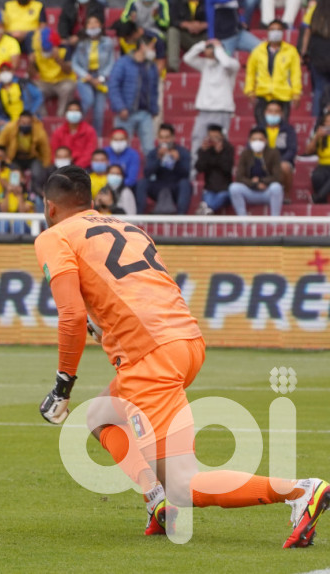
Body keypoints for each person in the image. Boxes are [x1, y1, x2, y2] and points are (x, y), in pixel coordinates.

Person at [35, 164, 330, 547]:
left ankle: (300, 490)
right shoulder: (128, 228)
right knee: (101, 413)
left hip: (151, 356)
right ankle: (156, 501)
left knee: (183, 484)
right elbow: (138, 291)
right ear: (91, 202)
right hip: (186, 340)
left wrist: (62, 385)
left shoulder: (54, 235)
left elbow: (71, 315)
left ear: (50, 207)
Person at [183, 39, 239, 168]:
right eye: (209, 48)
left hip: (222, 110)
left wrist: (218, 48)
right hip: (204, 110)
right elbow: (187, 58)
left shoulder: (232, 64)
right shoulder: (205, 64)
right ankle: (193, 171)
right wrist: (202, 44)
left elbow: (225, 63)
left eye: (211, 48)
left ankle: (223, 173)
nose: (209, 50)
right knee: (197, 139)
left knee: (222, 143)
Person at [108, 35, 159, 155]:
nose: (154, 51)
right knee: (120, 149)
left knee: (150, 149)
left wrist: (154, 109)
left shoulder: (151, 66)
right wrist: (120, 107)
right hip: (126, 113)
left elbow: (154, 89)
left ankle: (150, 174)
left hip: (145, 113)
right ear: (142, 46)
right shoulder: (123, 62)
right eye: (152, 47)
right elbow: (113, 85)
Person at [244, 19, 302, 127]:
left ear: (283, 32)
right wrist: (250, 90)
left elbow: (295, 74)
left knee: (282, 128)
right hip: (263, 93)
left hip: (282, 94)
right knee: (261, 127)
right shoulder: (257, 51)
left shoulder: (291, 51)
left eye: (279, 30)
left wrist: (296, 93)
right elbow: (250, 73)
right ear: (267, 32)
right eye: (272, 29)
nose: (275, 32)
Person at [71, 16, 115, 137]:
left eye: (96, 22)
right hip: (85, 77)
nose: (93, 25)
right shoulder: (81, 43)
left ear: (101, 25)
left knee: (99, 112)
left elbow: (111, 62)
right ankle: (79, 131)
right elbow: (75, 63)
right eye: (89, 23)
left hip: (101, 78)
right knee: (88, 100)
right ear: (85, 27)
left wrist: (101, 78)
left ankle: (97, 138)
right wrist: (87, 76)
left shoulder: (108, 42)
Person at [136, 123, 192, 214]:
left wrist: (177, 161)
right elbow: (147, 173)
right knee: (142, 182)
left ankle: (181, 217)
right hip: (158, 187)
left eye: (167, 137)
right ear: (158, 138)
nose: (164, 140)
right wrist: (158, 159)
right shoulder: (154, 153)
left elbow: (186, 174)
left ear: (173, 137)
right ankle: (139, 215)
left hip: (175, 187)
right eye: (162, 137)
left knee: (185, 184)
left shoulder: (182, 152)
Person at [229, 127, 284, 216]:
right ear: (249, 141)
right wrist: (253, 183)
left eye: (260, 139)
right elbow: (239, 177)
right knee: (234, 188)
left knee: (276, 187)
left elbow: (277, 176)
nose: (257, 142)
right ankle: (243, 220)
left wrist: (261, 181)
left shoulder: (273, 153)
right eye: (254, 139)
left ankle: (275, 221)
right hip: (250, 190)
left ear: (265, 140)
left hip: (267, 190)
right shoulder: (245, 153)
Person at [0, 111, 52, 194]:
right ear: (18, 122)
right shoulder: (10, 128)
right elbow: (0, 145)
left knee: (38, 173)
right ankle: (18, 195)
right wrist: (3, 160)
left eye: (28, 123)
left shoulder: (39, 131)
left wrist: (46, 167)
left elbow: (45, 150)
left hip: (32, 157)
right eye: (23, 123)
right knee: (15, 176)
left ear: (32, 123)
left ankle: (37, 193)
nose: (25, 125)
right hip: (14, 157)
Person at [31, 28, 76, 117]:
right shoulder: (37, 52)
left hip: (63, 81)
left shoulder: (64, 49)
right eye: (44, 49)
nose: (45, 52)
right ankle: (42, 118)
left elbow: (68, 71)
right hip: (45, 82)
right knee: (32, 88)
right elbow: (32, 74)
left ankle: (61, 117)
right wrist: (31, 63)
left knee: (67, 88)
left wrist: (58, 59)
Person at [258, 100, 297, 203]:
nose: (273, 114)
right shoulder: (258, 129)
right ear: (265, 112)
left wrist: (278, 162)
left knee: (284, 167)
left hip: (281, 161)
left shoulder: (288, 129)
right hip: (262, 161)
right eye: (270, 111)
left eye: (276, 111)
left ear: (281, 114)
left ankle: (286, 195)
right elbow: (250, 148)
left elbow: (292, 149)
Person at [194, 123, 233, 214]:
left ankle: (206, 210)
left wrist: (218, 154)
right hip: (210, 188)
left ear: (222, 137)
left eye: (216, 137)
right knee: (208, 199)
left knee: (219, 198)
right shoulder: (205, 149)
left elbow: (226, 168)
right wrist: (203, 153)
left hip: (224, 189)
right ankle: (207, 210)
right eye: (211, 137)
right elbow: (199, 168)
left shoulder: (228, 149)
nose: (213, 140)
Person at [301, 0, 330, 122]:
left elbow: (306, 31)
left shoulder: (314, 9)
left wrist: (303, 52)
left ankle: (315, 121)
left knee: (319, 89)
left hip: (317, 54)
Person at [49, 101, 98, 169]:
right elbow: (54, 152)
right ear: (66, 113)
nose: (74, 113)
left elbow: (89, 153)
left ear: (81, 114)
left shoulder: (89, 131)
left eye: (76, 111)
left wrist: (75, 167)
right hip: (61, 165)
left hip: (82, 167)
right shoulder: (58, 132)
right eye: (71, 111)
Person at [166, 0, 207, 72]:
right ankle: (173, 67)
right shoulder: (177, 2)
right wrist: (188, 25)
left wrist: (202, 26)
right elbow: (172, 21)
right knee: (172, 31)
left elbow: (218, 20)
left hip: (204, 37)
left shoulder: (208, 2)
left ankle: (216, 69)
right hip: (186, 37)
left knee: (218, 33)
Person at [304, 112, 330, 203]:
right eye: (327, 122)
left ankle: (318, 197)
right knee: (317, 176)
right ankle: (321, 201)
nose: (329, 124)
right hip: (323, 166)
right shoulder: (319, 135)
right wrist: (316, 137)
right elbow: (308, 151)